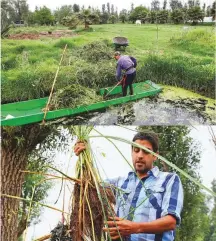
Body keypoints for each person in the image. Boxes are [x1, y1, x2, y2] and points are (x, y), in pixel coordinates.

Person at [74, 132, 184, 241]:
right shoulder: (119, 183)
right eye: (136, 150)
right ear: (132, 153)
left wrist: (135, 228)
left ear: (155, 155)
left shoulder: (169, 180)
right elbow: (91, 187)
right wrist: (85, 154)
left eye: (146, 151)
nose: (140, 155)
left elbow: (171, 222)